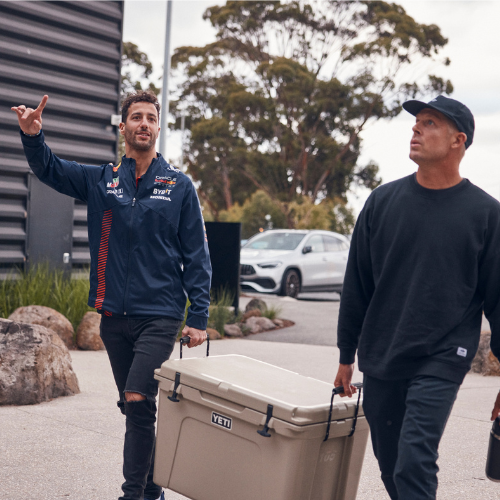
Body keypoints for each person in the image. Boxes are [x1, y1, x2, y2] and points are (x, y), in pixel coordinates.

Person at [11, 92, 212, 500]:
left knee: (138, 396)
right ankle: (152, 491)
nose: (143, 123)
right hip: (114, 317)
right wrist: (33, 136)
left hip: (160, 314)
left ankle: (131, 494)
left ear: (157, 128)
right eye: (135, 117)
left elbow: (196, 254)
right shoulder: (102, 180)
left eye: (150, 118)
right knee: (136, 409)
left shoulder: (179, 187)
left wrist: (199, 317)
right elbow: (49, 169)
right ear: (123, 128)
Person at [334, 95, 500, 500]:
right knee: (393, 468)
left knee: (414, 460)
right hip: (383, 354)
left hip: (444, 355)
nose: (415, 129)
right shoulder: (381, 202)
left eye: (429, 123)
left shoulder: (486, 214)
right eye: (416, 123)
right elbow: (357, 284)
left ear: (458, 140)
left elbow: (498, 297)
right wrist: (345, 354)